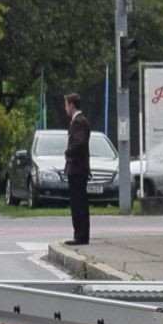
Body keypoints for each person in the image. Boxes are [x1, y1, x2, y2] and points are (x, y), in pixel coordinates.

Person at [63, 93, 93, 247]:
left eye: (66, 105)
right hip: (79, 168)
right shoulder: (81, 121)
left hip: (77, 168)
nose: (65, 108)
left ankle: (80, 235)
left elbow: (80, 142)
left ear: (72, 105)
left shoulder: (78, 122)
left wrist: (68, 152)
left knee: (78, 203)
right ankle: (81, 234)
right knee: (80, 202)